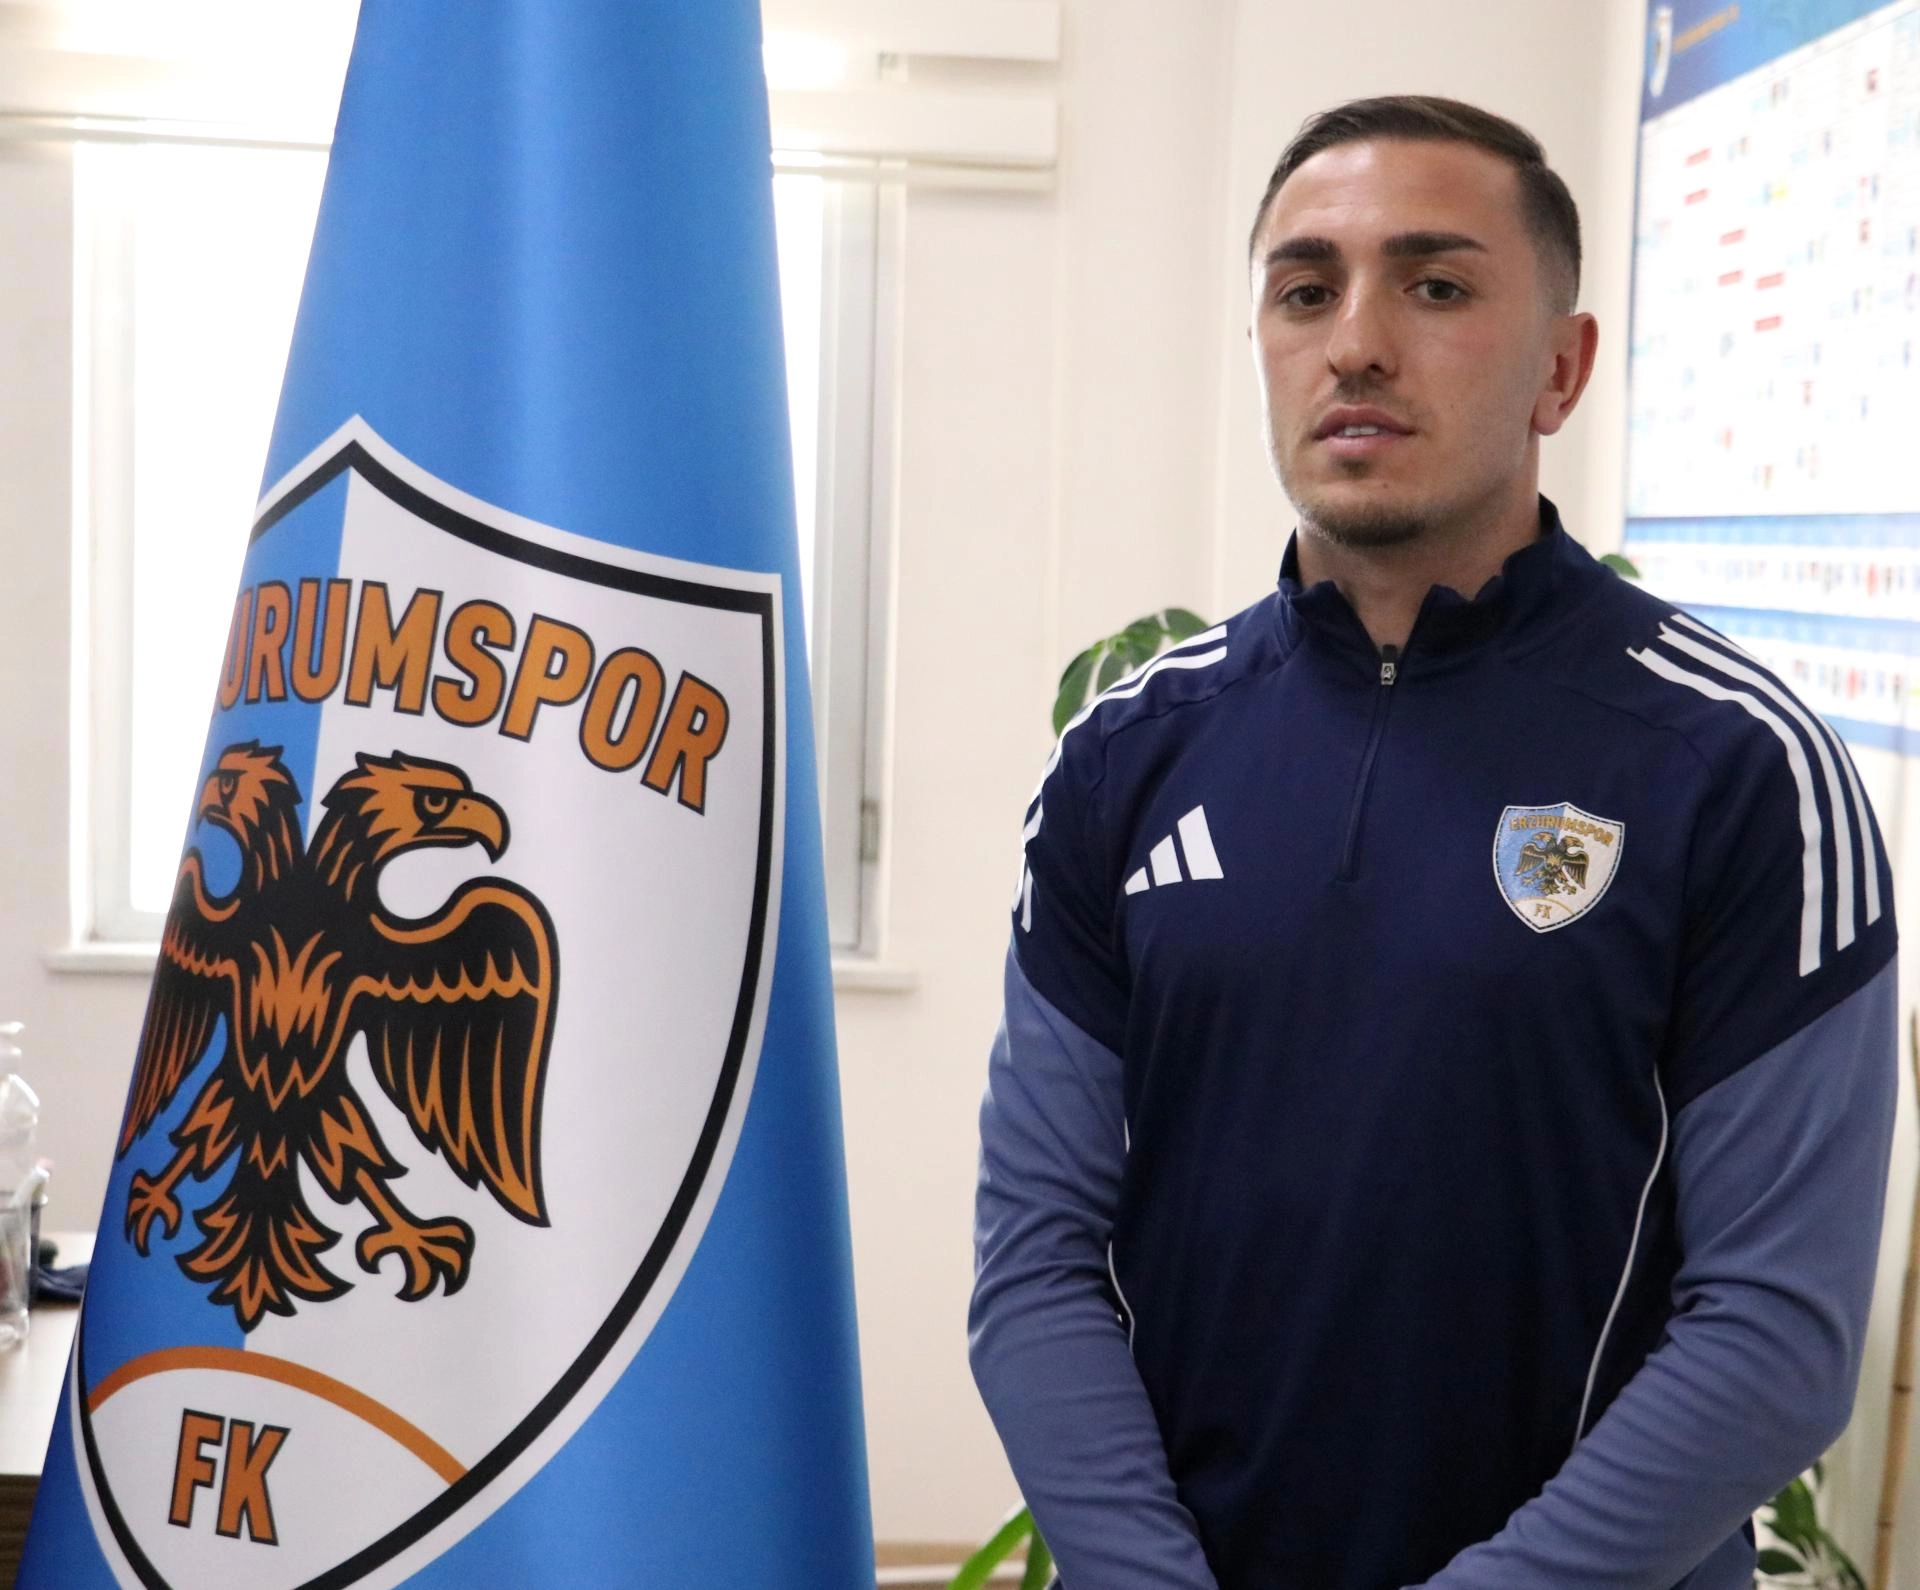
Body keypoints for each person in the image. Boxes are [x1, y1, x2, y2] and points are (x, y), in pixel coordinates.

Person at [969, 95, 1899, 1590]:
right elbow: (1037, 1255)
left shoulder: (1738, 769)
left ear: (1561, 368)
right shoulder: (1124, 758)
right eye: (1305, 291)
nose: (1356, 343)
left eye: (1437, 285)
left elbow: (1775, 1337)